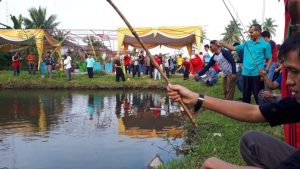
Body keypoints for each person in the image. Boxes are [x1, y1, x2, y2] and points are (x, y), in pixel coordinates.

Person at [167, 33, 300, 169]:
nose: (288, 81)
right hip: (232, 75)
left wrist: (219, 166)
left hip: (232, 74)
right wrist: (195, 97)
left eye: (295, 71)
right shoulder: (297, 102)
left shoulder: (226, 53)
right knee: (250, 140)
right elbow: (253, 111)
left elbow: (232, 62)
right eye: (287, 71)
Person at [220, 24, 272, 104]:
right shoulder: (247, 43)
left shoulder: (266, 44)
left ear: (258, 31)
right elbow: (233, 48)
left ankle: (261, 113)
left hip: (257, 74)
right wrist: (224, 44)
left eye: (251, 32)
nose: (249, 34)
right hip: (246, 73)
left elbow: (269, 58)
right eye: (249, 32)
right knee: (246, 97)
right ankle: (246, 114)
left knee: (259, 97)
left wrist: (266, 70)